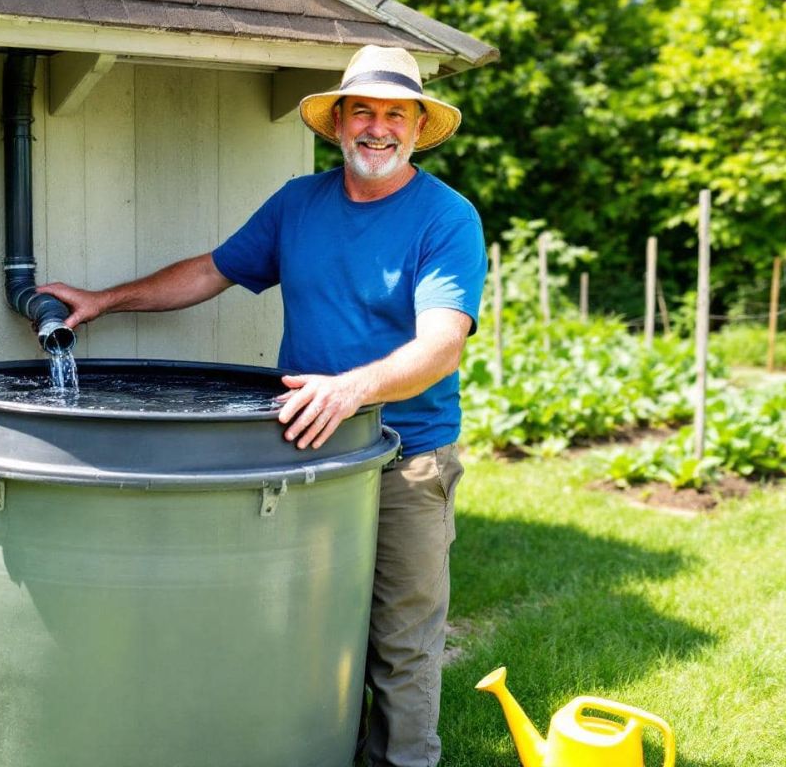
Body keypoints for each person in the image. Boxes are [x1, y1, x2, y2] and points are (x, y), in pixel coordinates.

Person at [39, 44, 487, 767]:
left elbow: (441, 347)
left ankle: (402, 762)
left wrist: (348, 390)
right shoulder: (297, 204)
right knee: (304, 626)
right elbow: (211, 272)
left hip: (406, 456)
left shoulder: (446, 218)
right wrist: (104, 299)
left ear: (416, 126)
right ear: (337, 123)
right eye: (363, 111)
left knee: (401, 640)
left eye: (395, 114)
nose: (378, 127)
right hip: (308, 448)